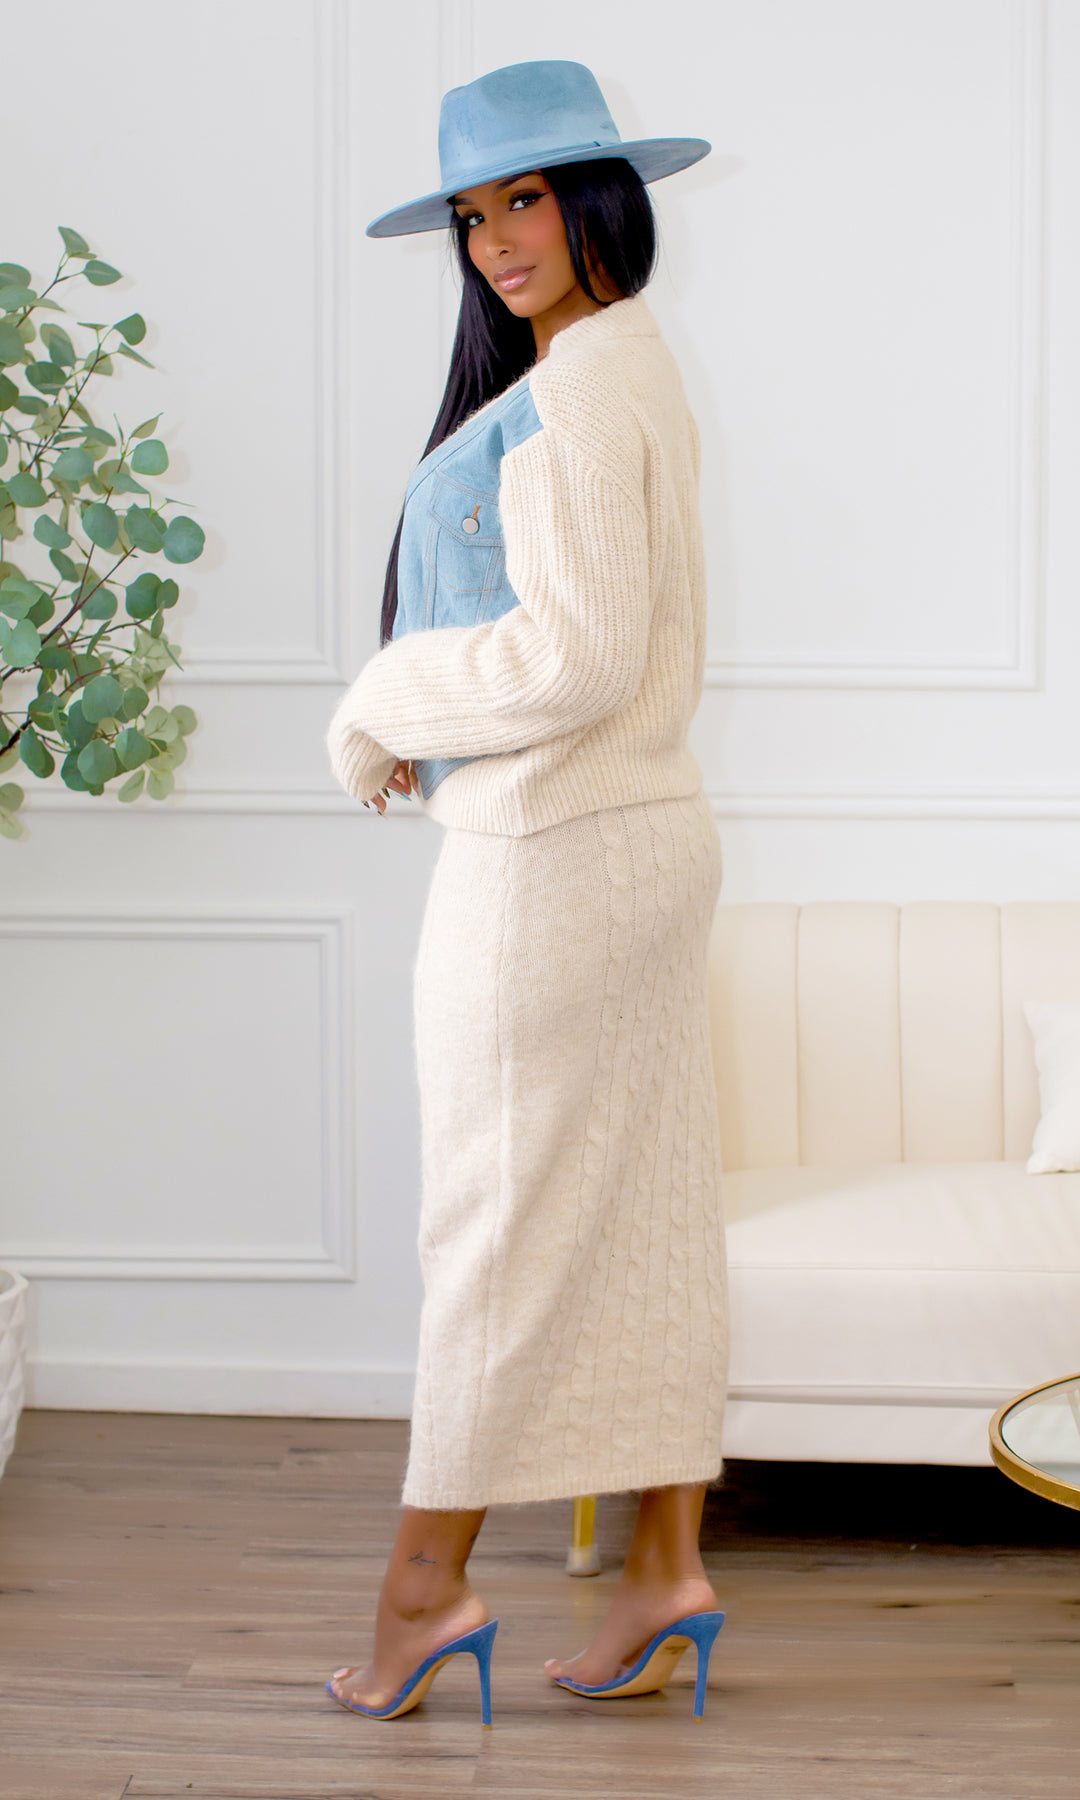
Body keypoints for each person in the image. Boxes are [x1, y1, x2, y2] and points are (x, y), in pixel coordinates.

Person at [324, 59, 729, 1725]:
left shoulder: (571, 395)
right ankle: (665, 1569)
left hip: (550, 861)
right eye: (475, 213)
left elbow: (571, 658)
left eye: (527, 198)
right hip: (646, 842)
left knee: (492, 1227)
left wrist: (381, 703)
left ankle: (423, 1591)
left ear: (597, 200)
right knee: (644, 1208)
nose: (497, 239)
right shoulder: (633, 364)